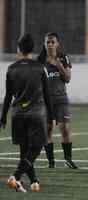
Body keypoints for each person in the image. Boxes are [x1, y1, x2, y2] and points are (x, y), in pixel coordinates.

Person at [0, 33, 52, 192]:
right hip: (36, 113)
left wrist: (3, 117)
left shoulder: (11, 69)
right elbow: (47, 94)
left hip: (17, 114)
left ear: (18, 48)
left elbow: (8, 96)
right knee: (37, 147)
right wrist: (52, 116)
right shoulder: (39, 67)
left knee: (24, 150)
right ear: (32, 49)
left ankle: (33, 181)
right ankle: (15, 176)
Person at [38, 32, 77, 169]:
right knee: (47, 130)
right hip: (45, 101)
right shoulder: (39, 60)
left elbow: (67, 79)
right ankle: (51, 162)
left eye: (52, 42)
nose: (49, 44)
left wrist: (58, 65)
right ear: (44, 44)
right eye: (47, 42)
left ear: (57, 43)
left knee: (65, 129)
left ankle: (68, 159)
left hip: (61, 99)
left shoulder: (63, 57)